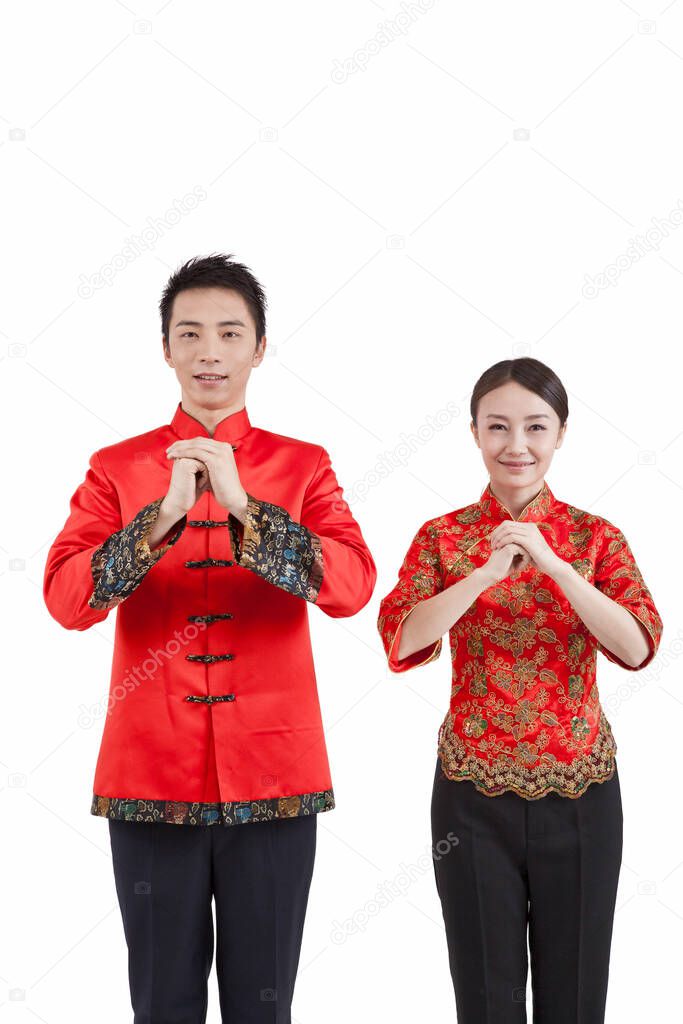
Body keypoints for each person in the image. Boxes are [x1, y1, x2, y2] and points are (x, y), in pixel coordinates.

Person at [43, 253, 377, 1023]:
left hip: (275, 774)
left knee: (264, 1006)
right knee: (163, 1003)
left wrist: (244, 507)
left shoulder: (302, 465)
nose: (209, 352)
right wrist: (158, 517)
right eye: (189, 334)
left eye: (230, 333)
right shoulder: (117, 467)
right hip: (149, 777)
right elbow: (66, 600)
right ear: (165, 348)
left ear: (259, 347)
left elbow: (352, 588)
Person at [377, 356, 662, 1024]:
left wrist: (556, 566)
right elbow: (401, 637)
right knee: (484, 998)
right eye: (497, 426)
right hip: (471, 797)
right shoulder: (442, 536)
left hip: (582, 793)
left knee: (575, 997)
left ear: (559, 433)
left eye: (535, 426)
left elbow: (635, 644)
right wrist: (481, 575)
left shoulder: (595, 537)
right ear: (474, 432)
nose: (516, 445)